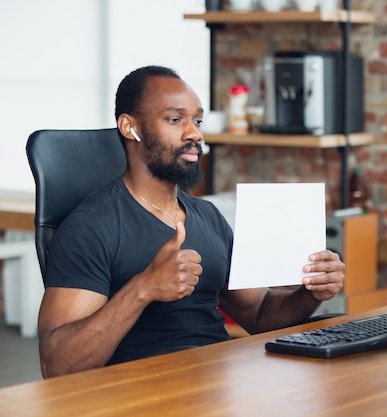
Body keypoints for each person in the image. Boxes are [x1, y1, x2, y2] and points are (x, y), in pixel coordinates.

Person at [38, 65, 345, 378]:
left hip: (219, 383)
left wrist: (310, 292)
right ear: (130, 127)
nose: (194, 134)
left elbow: (259, 314)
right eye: (175, 119)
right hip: (142, 394)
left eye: (197, 121)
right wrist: (143, 288)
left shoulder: (207, 216)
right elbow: (58, 365)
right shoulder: (90, 226)